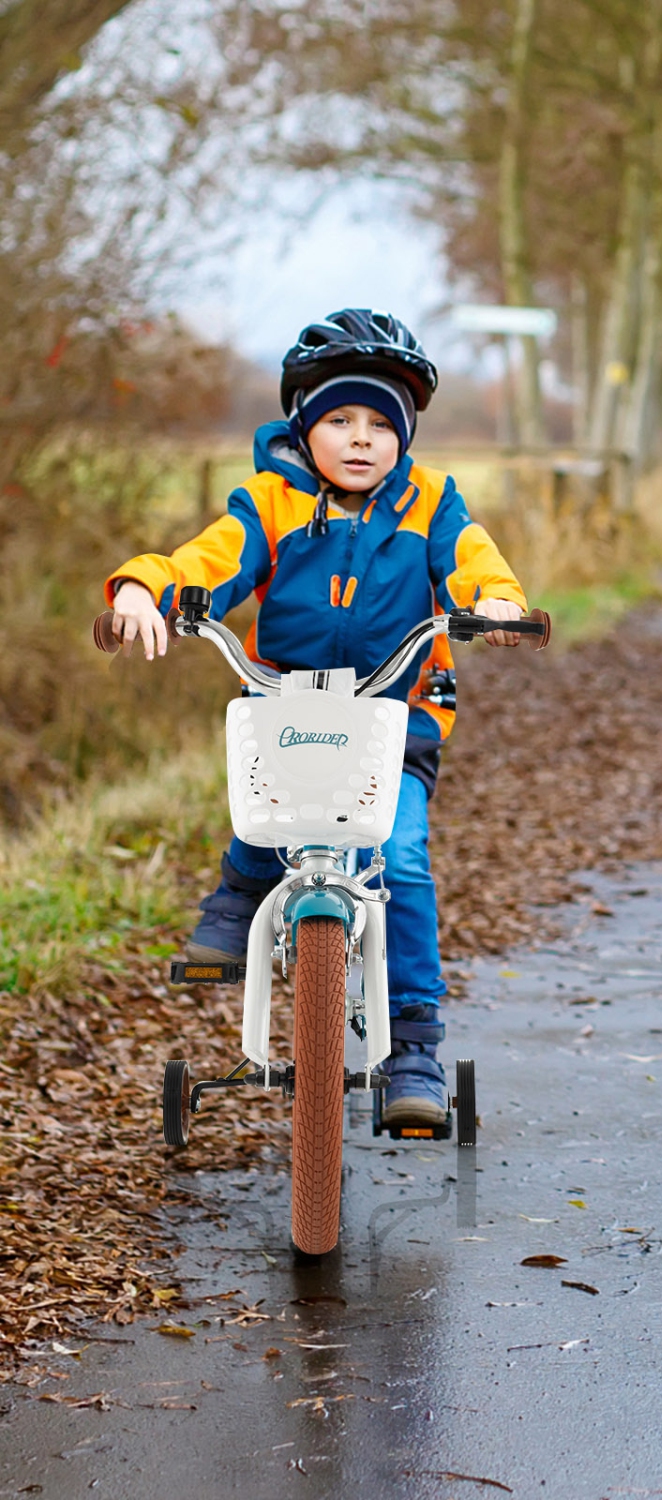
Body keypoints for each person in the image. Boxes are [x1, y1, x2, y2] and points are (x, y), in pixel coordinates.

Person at [104, 309, 529, 1128]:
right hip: (290, 706)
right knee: (269, 811)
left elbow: (473, 557)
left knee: (399, 859)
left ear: (405, 438)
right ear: (304, 428)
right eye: (340, 419)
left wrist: (495, 600)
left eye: (381, 424)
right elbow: (208, 560)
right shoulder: (270, 502)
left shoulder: (432, 504)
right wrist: (142, 589)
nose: (362, 438)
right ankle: (236, 897)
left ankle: (412, 1047)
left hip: (396, 712)